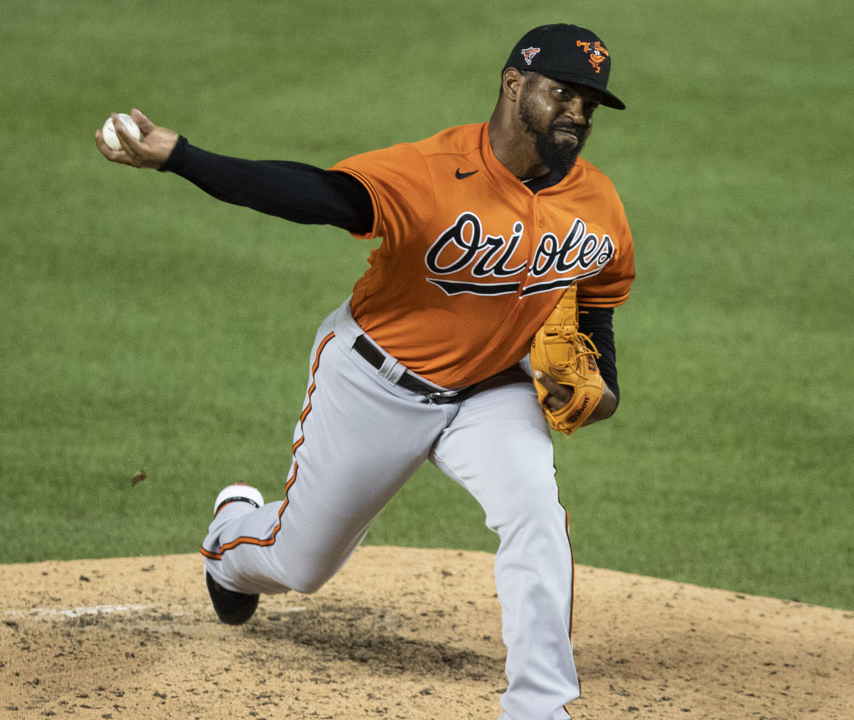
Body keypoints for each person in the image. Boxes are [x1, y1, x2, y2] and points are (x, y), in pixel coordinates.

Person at [96, 23, 635, 720]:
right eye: (563, 94)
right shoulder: (433, 170)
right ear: (514, 85)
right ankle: (229, 536)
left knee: (535, 511)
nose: (577, 115)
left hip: (494, 394)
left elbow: (598, 309)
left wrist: (605, 389)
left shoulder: (598, 205)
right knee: (301, 565)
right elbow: (313, 195)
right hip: (378, 379)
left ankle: (538, 707)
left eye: (589, 105)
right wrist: (181, 157)